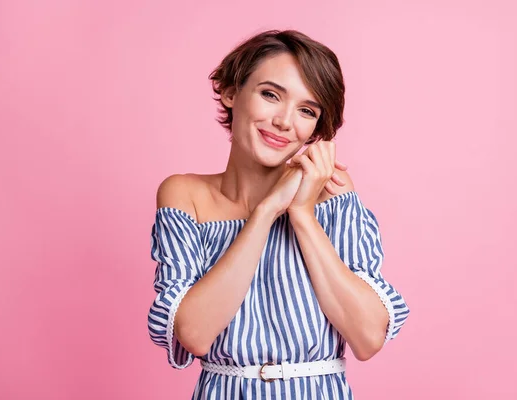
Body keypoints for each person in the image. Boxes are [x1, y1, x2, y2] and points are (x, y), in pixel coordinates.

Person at [147, 29, 410, 399]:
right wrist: (267, 211)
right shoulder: (184, 194)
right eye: (271, 95)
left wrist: (301, 213)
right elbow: (195, 333)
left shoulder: (331, 196)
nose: (285, 122)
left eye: (307, 110)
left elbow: (367, 338)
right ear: (231, 91)